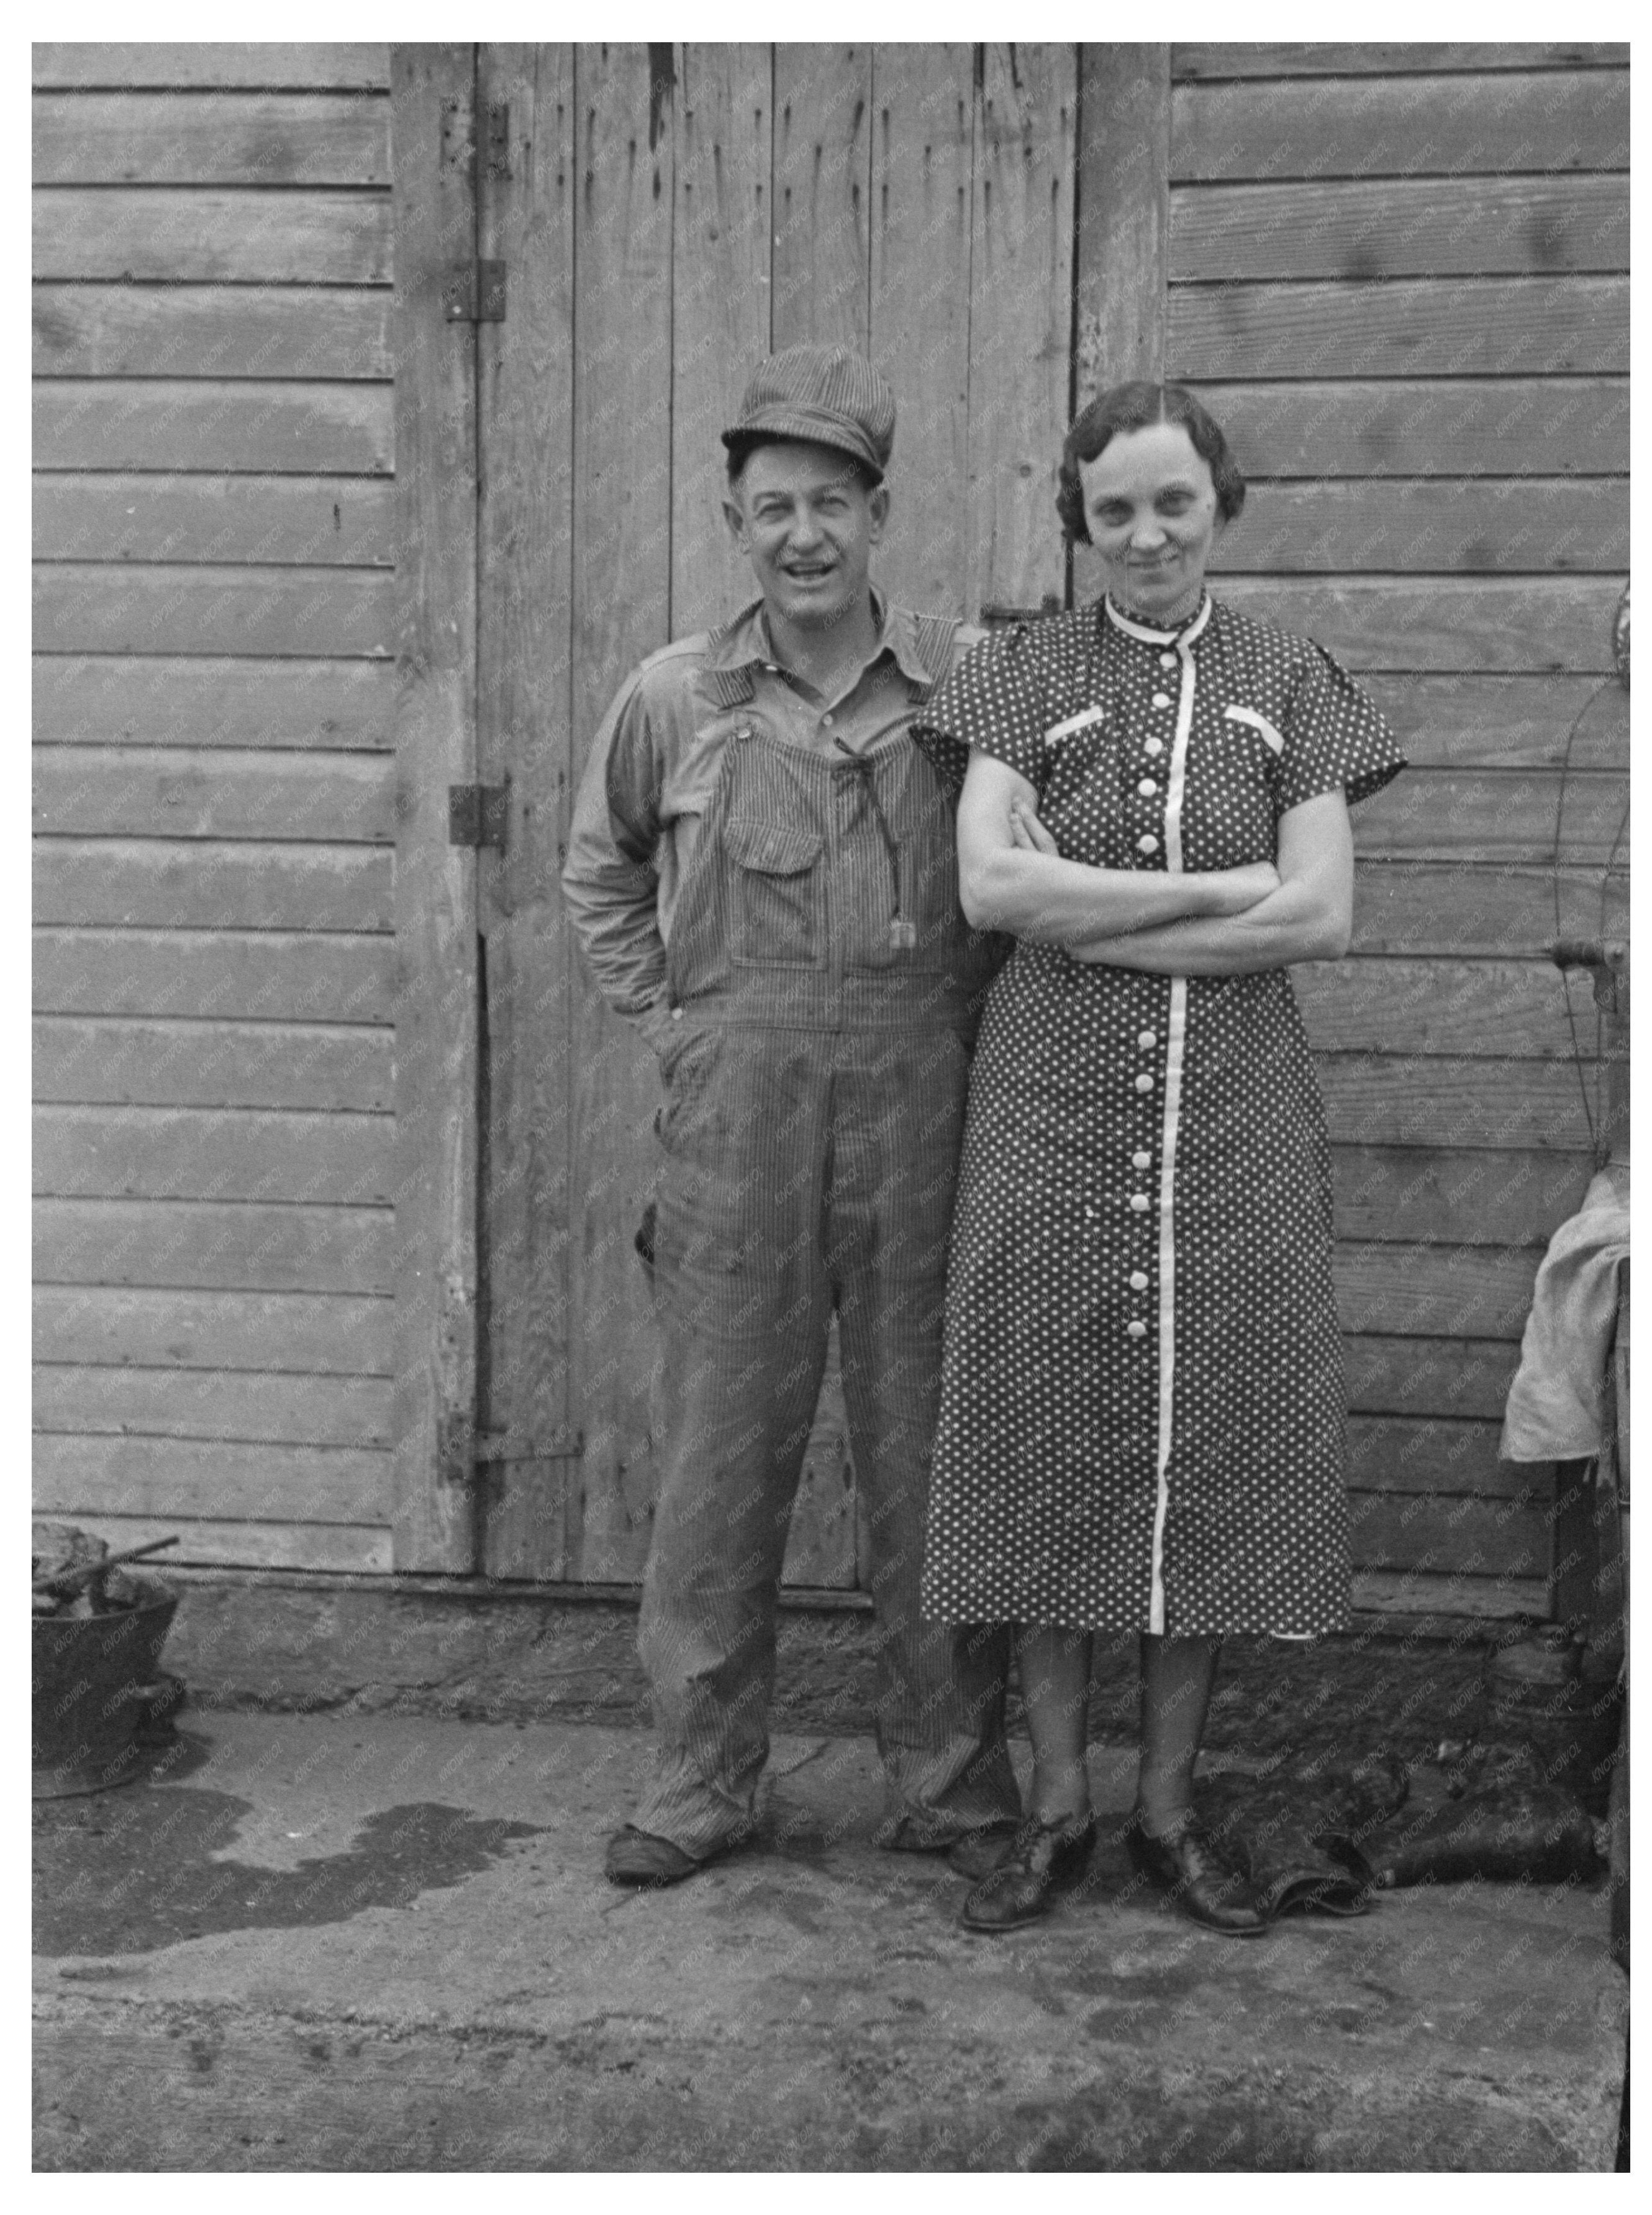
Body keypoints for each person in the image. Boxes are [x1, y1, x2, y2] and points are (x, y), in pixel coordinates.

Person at [915, 380, 1406, 1936]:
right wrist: (1213, 896)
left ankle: (1169, 1815)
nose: (1145, 535)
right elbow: (992, 887)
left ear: (1220, 505)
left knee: (1214, 1464)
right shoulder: (1016, 678)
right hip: (1049, 1115)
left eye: (1173, 503)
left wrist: (1100, 912)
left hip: (1238, 1125)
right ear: (1080, 517)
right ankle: (1055, 1815)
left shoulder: (1287, 681)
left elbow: (1322, 913)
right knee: (1048, 1449)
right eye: (1114, 507)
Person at [562, 344, 1021, 1886]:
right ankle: (702, 1782)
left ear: (879, 513)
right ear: (735, 521)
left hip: (926, 1110)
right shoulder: (673, 696)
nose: (804, 533)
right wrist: (676, 1025)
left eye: (833, 502)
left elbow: (1026, 886)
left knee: (935, 1461)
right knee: (717, 1459)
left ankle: (953, 1787)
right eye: (775, 508)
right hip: (737, 1121)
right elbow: (600, 871)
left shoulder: (966, 690)